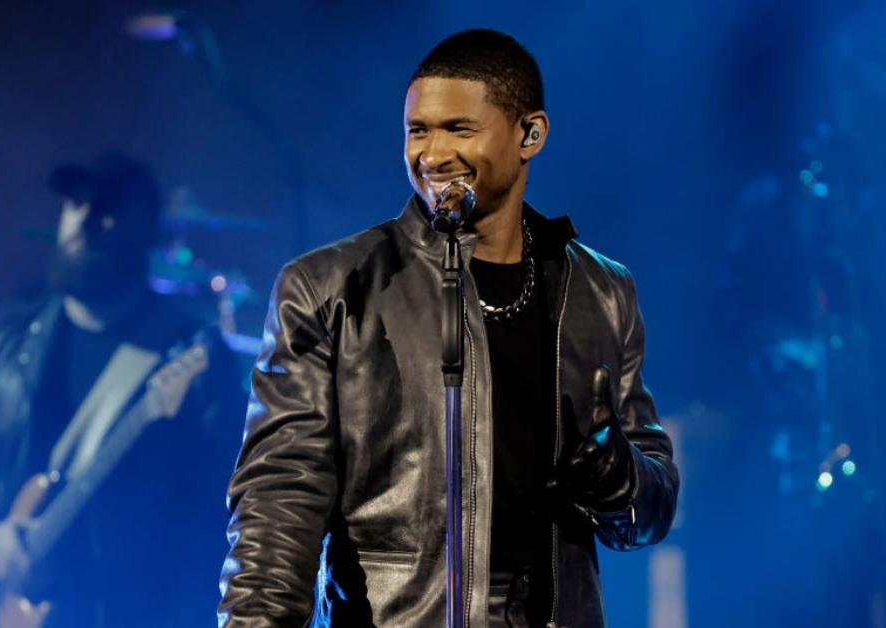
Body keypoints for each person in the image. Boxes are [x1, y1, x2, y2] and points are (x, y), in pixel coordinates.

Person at [219, 29, 679, 627]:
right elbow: (279, 502)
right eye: (418, 131)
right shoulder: (331, 287)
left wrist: (607, 464)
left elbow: (653, 512)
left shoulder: (599, 291)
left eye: (459, 129)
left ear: (529, 135)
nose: (432, 154)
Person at [0, 151, 242, 627]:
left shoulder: (190, 351)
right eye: (75, 202)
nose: (86, 218)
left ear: (147, 228)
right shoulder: (10, 344)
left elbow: (229, 511)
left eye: (108, 205)